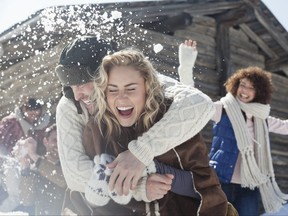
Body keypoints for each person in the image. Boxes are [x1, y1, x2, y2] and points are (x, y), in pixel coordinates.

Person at [55, 35, 215, 208]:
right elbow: (74, 173)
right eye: (71, 87)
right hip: (97, 207)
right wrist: (137, 185)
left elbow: (201, 104)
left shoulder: (140, 81)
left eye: (82, 83)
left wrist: (139, 153)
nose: (77, 95)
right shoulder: (70, 105)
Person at [82, 47, 228, 215]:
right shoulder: (98, 129)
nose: (121, 97)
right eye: (113, 89)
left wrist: (151, 166)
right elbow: (92, 194)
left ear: (147, 88)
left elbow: (205, 187)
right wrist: (139, 187)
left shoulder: (173, 119)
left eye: (131, 89)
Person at [178, 46, 288, 215]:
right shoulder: (222, 109)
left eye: (251, 88)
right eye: (242, 85)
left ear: (259, 92)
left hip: (249, 185)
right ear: (235, 85)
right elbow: (195, 102)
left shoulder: (262, 118)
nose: (244, 91)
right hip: (220, 181)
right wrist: (186, 66)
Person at [0, 96, 50, 212]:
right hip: (9, 162)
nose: (34, 118)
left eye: (36, 115)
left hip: (32, 163)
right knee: (15, 196)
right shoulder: (10, 122)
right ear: (24, 110)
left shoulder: (42, 126)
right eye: (31, 115)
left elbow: (44, 147)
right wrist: (11, 156)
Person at [14, 123, 66, 215]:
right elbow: (26, 200)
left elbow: (63, 181)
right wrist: (25, 165)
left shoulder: (68, 165)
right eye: (55, 140)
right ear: (46, 141)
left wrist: (33, 155)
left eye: (62, 140)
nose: (59, 144)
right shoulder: (35, 168)